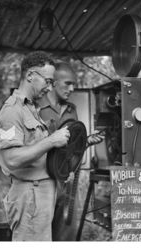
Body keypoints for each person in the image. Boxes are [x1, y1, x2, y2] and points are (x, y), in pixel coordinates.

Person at [0, 51, 70, 241]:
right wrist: (52, 140)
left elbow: (39, 153)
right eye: (47, 81)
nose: (49, 87)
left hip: (40, 194)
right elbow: (11, 159)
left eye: (52, 83)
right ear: (30, 76)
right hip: (30, 197)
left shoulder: (31, 108)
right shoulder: (12, 111)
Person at [38, 61, 103, 240]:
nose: (72, 88)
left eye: (74, 84)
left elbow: (71, 148)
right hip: (41, 181)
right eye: (68, 83)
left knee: (66, 234)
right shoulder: (35, 108)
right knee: (40, 235)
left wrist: (86, 142)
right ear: (52, 82)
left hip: (66, 182)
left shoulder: (71, 110)